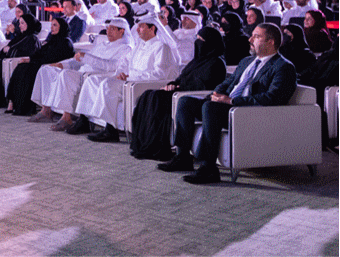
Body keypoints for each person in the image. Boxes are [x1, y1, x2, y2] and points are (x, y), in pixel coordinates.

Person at [159, 23, 297, 184]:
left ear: (271, 42)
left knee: (211, 108)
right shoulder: (247, 61)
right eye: (252, 35)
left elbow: (271, 98)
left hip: (247, 113)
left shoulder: (284, 67)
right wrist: (216, 94)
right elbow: (227, 83)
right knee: (186, 102)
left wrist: (231, 101)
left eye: (257, 37)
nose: (250, 39)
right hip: (226, 107)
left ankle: (208, 168)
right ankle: (182, 157)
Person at [74, 15, 181, 142]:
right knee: (92, 80)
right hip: (130, 80)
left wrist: (130, 77)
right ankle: (84, 120)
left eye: (141, 27)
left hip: (144, 84)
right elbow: (123, 63)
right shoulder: (139, 46)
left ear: (152, 28)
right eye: (138, 26)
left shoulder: (161, 47)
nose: (137, 29)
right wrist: (121, 73)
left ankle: (111, 130)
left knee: (107, 85)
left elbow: (159, 74)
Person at [129, 26, 227, 160]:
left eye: (201, 40)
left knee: (157, 98)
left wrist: (179, 87)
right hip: (179, 91)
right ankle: (143, 143)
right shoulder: (196, 61)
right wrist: (172, 84)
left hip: (190, 95)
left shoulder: (217, 63)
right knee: (147, 95)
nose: (197, 43)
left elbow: (205, 85)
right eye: (197, 38)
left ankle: (157, 146)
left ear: (210, 43)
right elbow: (181, 78)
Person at [29, 18, 134, 129]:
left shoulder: (125, 48)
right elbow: (81, 59)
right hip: (82, 72)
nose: (108, 32)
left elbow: (111, 66)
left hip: (95, 75)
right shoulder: (103, 44)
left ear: (121, 31)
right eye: (108, 29)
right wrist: (63, 64)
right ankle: (46, 110)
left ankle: (66, 118)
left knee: (66, 75)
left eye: (112, 29)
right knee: (45, 69)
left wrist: (86, 57)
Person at [6, 16, 76, 116]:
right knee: (21, 66)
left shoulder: (66, 42)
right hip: (41, 63)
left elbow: (54, 58)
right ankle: (12, 102)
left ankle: (25, 107)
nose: (52, 27)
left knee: (27, 70)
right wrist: (29, 59)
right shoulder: (52, 40)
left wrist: (33, 61)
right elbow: (40, 52)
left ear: (62, 27)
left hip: (52, 66)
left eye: (55, 25)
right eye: (51, 25)